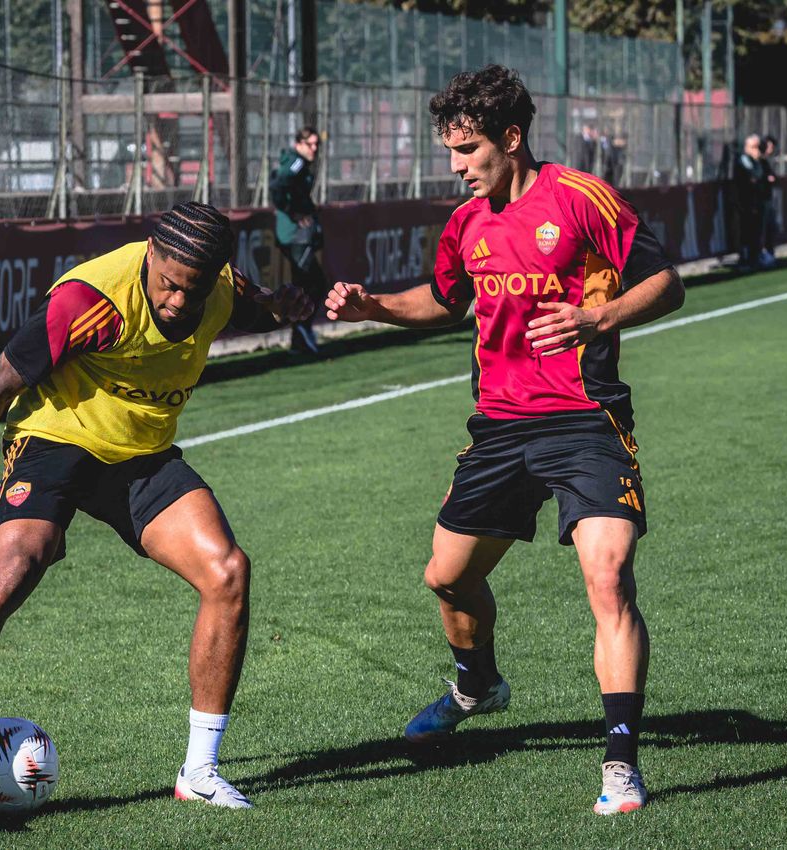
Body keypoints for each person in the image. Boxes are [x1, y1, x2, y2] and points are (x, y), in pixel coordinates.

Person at [323, 65, 684, 816]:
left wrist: (598, 317)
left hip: (584, 419)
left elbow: (665, 282)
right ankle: (476, 684)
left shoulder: (580, 199)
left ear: (510, 138)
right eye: (450, 151)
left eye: (466, 150)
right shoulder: (466, 223)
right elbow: (444, 299)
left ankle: (620, 765)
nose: (455, 167)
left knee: (608, 576)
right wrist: (373, 308)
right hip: (497, 428)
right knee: (446, 578)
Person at [0, 202, 312, 810]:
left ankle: (200, 772)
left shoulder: (217, 287)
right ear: (150, 254)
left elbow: (252, 293)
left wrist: (278, 303)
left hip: (139, 455)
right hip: (55, 440)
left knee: (228, 572)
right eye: (166, 284)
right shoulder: (91, 302)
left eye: (191, 290)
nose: (175, 302)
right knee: (13, 572)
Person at [270, 126, 325, 355]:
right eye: (309, 144)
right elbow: (278, 185)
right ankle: (301, 328)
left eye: (316, 145)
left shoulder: (302, 164)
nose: (314, 149)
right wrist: (292, 213)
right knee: (315, 283)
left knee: (307, 284)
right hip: (294, 235)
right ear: (299, 144)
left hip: (299, 234)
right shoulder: (297, 163)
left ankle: (299, 335)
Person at [733, 134, 766, 269]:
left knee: (756, 231)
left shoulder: (755, 160)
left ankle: (755, 257)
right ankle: (746, 259)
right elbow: (755, 175)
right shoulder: (744, 159)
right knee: (746, 231)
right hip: (745, 203)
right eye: (754, 147)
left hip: (755, 202)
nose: (757, 150)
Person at [759, 135, 780, 267]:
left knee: (770, 227)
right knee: (762, 229)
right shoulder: (759, 162)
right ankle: (763, 255)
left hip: (767, 199)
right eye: (770, 146)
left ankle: (770, 254)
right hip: (761, 200)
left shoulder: (766, 162)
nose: (771, 149)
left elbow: (774, 178)